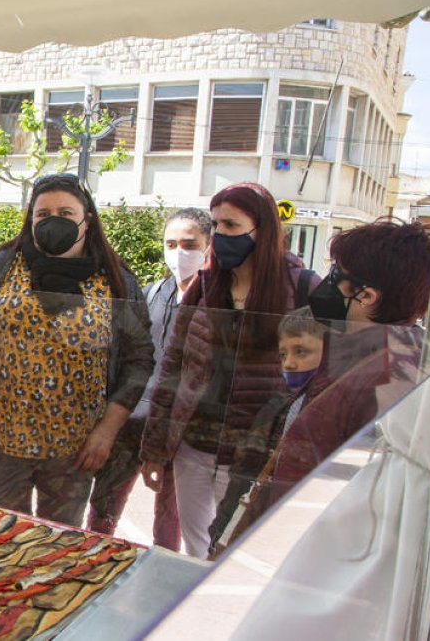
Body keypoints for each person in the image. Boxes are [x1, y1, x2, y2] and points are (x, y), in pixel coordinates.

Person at [210, 219, 430, 555]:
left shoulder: (384, 379)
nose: (324, 285)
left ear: (367, 297)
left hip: (311, 549)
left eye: (336, 276)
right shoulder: (368, 356)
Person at [0, 173, 154, 525]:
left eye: (65, 212)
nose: (53, 221)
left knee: (57, 543)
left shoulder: (116, 280)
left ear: (86, 220)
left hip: (75, 450)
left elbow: (140, 358)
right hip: (1, 440)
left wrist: (107, 431)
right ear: (30, 219)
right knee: (2, 536)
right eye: (43, 215)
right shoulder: (1, 266)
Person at [140, 181, 318, 559]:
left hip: (252, 453)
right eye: (216, 225)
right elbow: (174, 364)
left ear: (262, 230)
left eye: (232, 226)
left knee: (233, 550)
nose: (220, 235)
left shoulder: (301, 288)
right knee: (195, 550)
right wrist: (154, 448)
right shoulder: (206, 286)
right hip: (196, 445)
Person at [88, 207, 211, 549]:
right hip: (132, 420)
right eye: (170, 243)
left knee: (169, 519)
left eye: (189, 243)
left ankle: (160, 578)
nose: (179, 253)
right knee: (103, 510)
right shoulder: (151, 293)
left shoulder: (215, 304)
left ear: (208, 246)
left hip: (179, 429)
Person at [208, 309, 327, 555]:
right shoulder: (276, 407)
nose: (289, 363)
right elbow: (243, 474)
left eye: (301, 351)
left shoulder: (327, 408)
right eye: (283, 354)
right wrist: (220, 531)